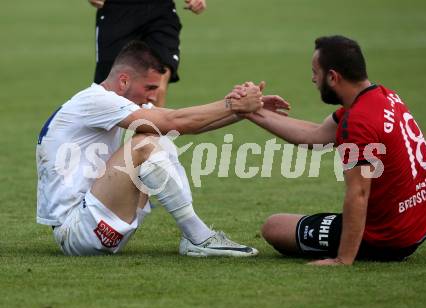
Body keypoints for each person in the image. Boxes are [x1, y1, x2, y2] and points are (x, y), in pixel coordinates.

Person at [36, 40, 289, 256]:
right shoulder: (96, 100)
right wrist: (232, 105)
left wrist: (244, 111)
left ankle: (196, 236)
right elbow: (174, 120)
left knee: (157, 135)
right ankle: (198, 237)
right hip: (77, 232)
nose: (153, 96)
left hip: (97, 223)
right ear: (123, 80)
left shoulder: (106, 103)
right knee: (145, 143)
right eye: (149, 88)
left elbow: (186, 123)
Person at [233, 35, 426, 265]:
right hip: (423, 218)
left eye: (315, 72)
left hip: (391, 237)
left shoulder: (358, 122)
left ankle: (352, 250)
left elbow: (358, 193)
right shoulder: (381, 96)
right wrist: (253, 111)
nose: (312, 79)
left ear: (332, 77)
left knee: (274, 227)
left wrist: (343, 258)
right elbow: (316, 136)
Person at [88, 0, 207, 107]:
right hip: (118, 9)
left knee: (156, 86)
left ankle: (151, 130)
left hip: (161, 11)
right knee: (111, 91)